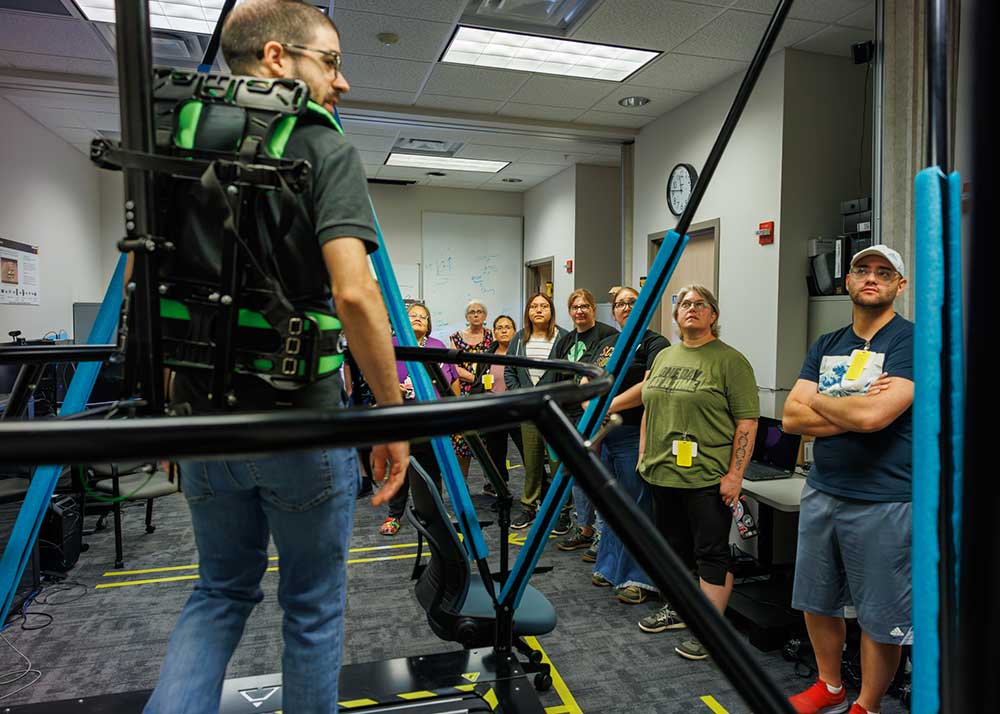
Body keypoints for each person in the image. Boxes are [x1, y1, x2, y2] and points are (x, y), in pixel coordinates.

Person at [145, 3, 409, 712]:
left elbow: (166, 290)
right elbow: (355, 296)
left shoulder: (177, 141)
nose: (343, 82)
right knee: (313, 609)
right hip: (300, 422)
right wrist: (392, 417)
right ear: (274, 57)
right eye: (331, 60)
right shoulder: (324, 146)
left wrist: (171, 411)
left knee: (218, 594)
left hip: (203, 423)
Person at [781, 245, 913, 714]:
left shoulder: (909, 342)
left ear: (900, 285)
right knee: (816, 600)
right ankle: (830, 684)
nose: (871, 277)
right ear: (848, 282)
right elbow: (791, 417)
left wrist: (825, 398)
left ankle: (869, 704)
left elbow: (877, 415)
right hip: (822, 490)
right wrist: (852, 410)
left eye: (883, 272)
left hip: (885, 499)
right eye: (862, 270)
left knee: (880, 615)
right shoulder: (827, 342)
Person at [636, 285, 758, 662]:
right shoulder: (665, 357)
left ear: (713, 315)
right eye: (685, 304)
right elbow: (649, 407)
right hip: (662, 473)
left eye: (699, 304)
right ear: (676, 315)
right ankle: (679, 609)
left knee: (711, 553)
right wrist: (643, 455)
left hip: (706, 476)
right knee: (674, 551)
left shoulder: (729, 361)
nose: (691, 309)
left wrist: (735, 476)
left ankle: (709, 628)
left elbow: (747, 422)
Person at [586, 287, 669, 604]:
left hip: (635, 431)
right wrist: (590, 401)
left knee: (636, 506)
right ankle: (609, 567)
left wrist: (608, 405)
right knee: (610, 506)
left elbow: (649, 386)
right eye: (620, 304)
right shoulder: (608, 343)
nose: (624, 308)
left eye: (631, 303)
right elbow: (589, 377)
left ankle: (639, 577)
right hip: (605, 434)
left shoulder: (655, 343)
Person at [380, 302, 461, 536]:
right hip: (401, 418)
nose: (417, 319)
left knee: (431, 470)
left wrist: (452, 412)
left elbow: (452, 380)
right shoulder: (393, 345)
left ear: (429, 325)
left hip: (432, 419)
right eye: (412, 315)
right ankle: (394, 515)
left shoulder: (437, 346)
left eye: (422, 317)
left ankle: (432, 514)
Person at [552, 288, 617, 544]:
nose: (580, 311)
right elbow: (556, 375)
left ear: (593, 309)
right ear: (570, 312)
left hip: (593, 415)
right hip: (568, 414)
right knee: (577, 474)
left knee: (597, 475)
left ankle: (602, 535)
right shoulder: (565, 341)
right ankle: (584, 528)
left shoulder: (607, 336)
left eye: (584, 306)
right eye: (575, 307)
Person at [504, 292, 567, 530]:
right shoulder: (519, 339)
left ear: (551, 311)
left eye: (543, 306)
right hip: (529, 414)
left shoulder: (564, 338)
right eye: (533, 306)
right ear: (528, 312)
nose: (538, 310)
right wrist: (521, 395)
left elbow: (569, 373)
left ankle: (562, 511)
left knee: (557, 464)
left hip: (555, 414)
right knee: (531, 465)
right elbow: (509, 371)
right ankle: (529, 507)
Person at [469, 314, 525, 495]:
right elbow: (479, 382)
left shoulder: (521, 353)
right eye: (499, 328)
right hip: (493, 412)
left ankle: (538, 490)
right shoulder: (487, 356)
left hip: (517, 410)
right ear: (494, 332)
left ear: (515, 331)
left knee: (527, 451)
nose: (503, 330)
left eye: (507, 327)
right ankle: (499, 488)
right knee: (496, 454)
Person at [450, 301, 494, 477]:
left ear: (485, 316)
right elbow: (454, 367)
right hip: (463, 393)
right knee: (462, 440)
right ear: (466, 317)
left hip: (487, 392)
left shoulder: (493, 337)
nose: (476, 314)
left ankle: (491, 482)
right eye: (472, 312)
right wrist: (476, 378)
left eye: (479, 311)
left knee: (488, 440)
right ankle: (464, 483)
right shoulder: (456, 337)